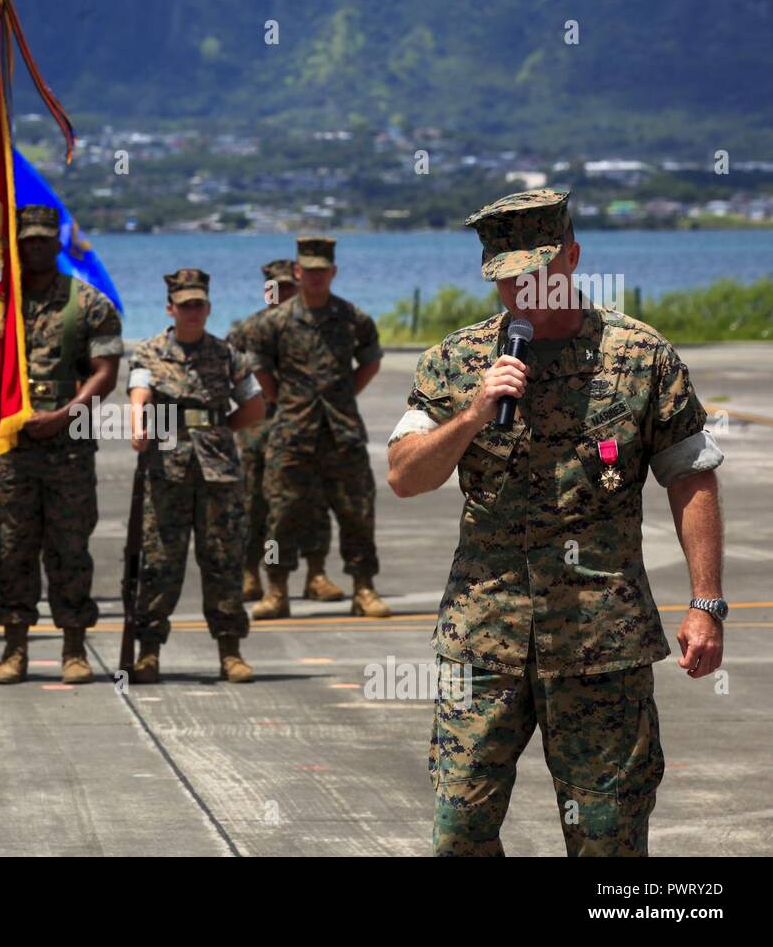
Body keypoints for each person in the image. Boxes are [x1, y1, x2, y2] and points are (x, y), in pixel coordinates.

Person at [386, 188, 726, 856]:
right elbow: (405, 476)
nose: (524, 293)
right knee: (459, 831)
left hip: (603, 643)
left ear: (573, 257)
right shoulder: (458, 362)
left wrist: (706, 602)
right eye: (509, 279)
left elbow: (691, 476)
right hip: (484, 641)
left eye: (538, 273)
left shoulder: (639, 356)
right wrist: (475, 414)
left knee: (608, 838)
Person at [0, 205, 123, 684]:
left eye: (42, 240)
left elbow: (105, 374)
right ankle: (14, 648)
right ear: (15, 246)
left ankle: (74, 645)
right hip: (12, 446)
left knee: (69, 547)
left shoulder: (89, 302)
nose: (34, 248)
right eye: (26, 241)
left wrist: (64, 415)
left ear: (57, 244)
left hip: (68, 444)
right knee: (13, 547)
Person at [127, 268, 265, 683]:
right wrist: (138, 423)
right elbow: (139, 392)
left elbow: (254, 408)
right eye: (185, 305)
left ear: (208, 308)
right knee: (159, 561)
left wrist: (217, 432)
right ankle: (148, 652)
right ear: (170, 307)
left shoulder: (227, 355)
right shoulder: (149, 351)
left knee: (223, 560)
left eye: (199, 305)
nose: (192, 311)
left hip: (217, 474)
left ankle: (230, 652)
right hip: (165, 470)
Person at [246, 236, 391, 619]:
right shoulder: (273, 321)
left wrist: (343, 394)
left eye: (321, 271)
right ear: (297, 272)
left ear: (333, 273)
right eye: (308, 271)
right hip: (292, 431)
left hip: (341, 431)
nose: (314, 278)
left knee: (357, 513)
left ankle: (364, 588)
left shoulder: (351, 318)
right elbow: (259, 366)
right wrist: (286, 400)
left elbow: (371, 360)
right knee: (280, 514)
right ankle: (276, 591)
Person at [226, 259, 339, 605]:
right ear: (266, 290)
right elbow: (225, 374)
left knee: (312, 501)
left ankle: (315, 572)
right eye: (276, 287)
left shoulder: (313, 326)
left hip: (305, 426)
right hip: (259, 428)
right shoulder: (247, 330)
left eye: (289, 286)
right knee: (256, 503)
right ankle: (251, 571)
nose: (282, 293)